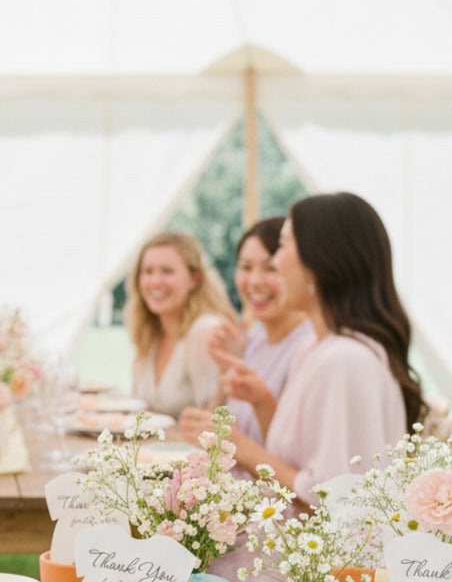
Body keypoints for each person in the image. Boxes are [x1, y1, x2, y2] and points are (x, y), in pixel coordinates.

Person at [204, 192, 422, 506]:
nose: (276, 262)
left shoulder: (344, 360)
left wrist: (239, 446)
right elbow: (297, 460)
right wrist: (261, 401)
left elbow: (332, 498)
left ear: (320, 261)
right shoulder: (316, 349)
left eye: (284, 246)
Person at [184, 217, 314, 443]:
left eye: (271, 268)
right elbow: (215, 434)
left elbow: (293, 453)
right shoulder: (252, 340)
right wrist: (226, 369)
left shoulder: (309, 347)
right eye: (245, 267)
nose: (255, 281)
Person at [127, 231, 236, 418]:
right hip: (151, 447)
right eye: (148, 271)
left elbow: (212, 423)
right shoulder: (149, 334)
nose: (155, 281)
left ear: (194, 279)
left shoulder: (205, 330)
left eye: (167, 271)